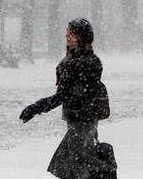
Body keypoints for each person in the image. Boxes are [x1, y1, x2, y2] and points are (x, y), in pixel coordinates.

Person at [20, 18, 116, 179]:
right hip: (84, 118)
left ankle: (108, 171)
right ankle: (106, 168)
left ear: (82, 37)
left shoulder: (79, 61)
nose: (67, 35)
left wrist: (36, 107)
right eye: (67, 31)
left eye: (72, 33)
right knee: (67, 162)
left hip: (81, 119)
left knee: (78, 162)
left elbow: (64, 95)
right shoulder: (83, 59)